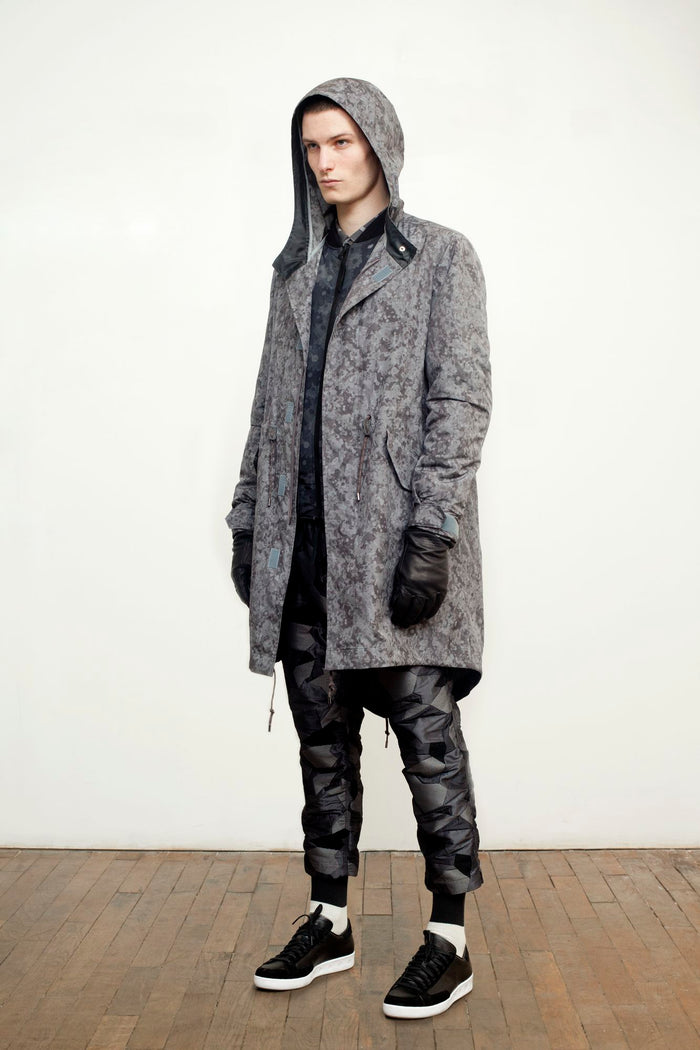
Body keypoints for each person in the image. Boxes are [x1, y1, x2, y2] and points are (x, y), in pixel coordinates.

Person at [225, 77, 492, 1020]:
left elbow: (461, 399)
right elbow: (267, 406)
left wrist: (433, 530)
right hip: (303, 549)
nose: (325, 161)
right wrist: (247, 517)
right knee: (322, 745)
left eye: (341, 141)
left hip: (391, 544)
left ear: (380, 142)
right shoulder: (294, 271)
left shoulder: (440, 257)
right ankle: (329, 918)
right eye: (311, 147)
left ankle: (449, 938)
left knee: (428, 741)